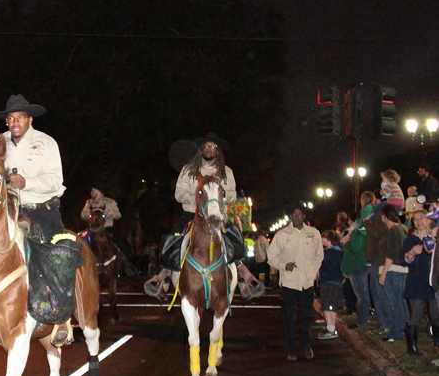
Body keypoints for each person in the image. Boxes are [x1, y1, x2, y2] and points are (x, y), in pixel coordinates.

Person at [145, 133, 262, 300]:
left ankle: (244, 277)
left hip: (217, 214)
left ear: (218, 151)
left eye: (213, 146)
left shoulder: (226, 171)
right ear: (201, 150)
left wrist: (219, 197)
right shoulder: (188, 169)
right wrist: (198, 197)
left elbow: (231, 194)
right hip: (192, 213)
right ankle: (162, 278)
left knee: (233, 237)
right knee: (174, 237)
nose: (209, 149)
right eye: (206, 146)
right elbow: (179, 194)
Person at [0, 94, 66, 242]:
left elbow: (56, 181)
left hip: (42, 212)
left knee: (57, 258)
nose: (15, 122)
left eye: (21, 117)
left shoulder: (46, 143)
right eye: (11, 118)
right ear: (6, 122)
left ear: (30, 119)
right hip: (6, 212)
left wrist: (26, 183)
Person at [268, 201, 323, 361]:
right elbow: (271, 257)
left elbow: (319, 256)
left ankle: (306, 346)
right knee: (289, 317)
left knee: (306, 316)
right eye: (293, 214)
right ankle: (291, 350)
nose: (296, 217)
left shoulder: (314, 233)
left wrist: (312, 272)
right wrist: (283, 265)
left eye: (299, 214)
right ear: (290, 216)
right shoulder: (282, 235)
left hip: (307, 282)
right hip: (289, 282)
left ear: (304, 216)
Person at [401, 209, 436, 355]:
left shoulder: (435, 237)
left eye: (422, 218)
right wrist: (411, 254)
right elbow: (403, 260)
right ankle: (412, 348)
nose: (419, 221)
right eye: (416, 219)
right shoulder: (410, 240)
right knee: (416, 313)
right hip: (416, 281)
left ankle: (436, 343)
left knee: (436, 314)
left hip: (433, 281)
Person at [341, 192, 374, 330]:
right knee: (363, 294)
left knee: (361, 294)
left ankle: (361, 320)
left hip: (357, 264)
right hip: (361, 263)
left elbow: (355, 247)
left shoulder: (360, 231)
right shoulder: (361, 228)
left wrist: (346, 243)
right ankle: (363, 318)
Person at [376, 205, 408, 343]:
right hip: (397, 270)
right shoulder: (399, 229)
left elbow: (392, 252)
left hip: (393, 270)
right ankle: (403, 329)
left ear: (384, 217)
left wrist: (384, 273)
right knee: (400, 302)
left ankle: (397, 332)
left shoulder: (394, 231)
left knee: (395, 303)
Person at [363, 193, 391, 334]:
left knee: (379, 292)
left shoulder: (381, 213)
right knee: (375, 291)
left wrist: (366, 223)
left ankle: (385, 323)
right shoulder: (377, 213)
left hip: (379, 258)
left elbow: (379, 232)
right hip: (375, 257)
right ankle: (382, 322)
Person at [316, 230, 343, 340]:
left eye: (323, 238)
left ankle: (331, 329)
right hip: (336, 282)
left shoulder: (329, 253)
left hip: (329, 282)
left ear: (329, 240)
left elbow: (321, 264)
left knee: (328, 306)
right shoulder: (339, 252)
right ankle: (331, 327)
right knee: (332, 306)